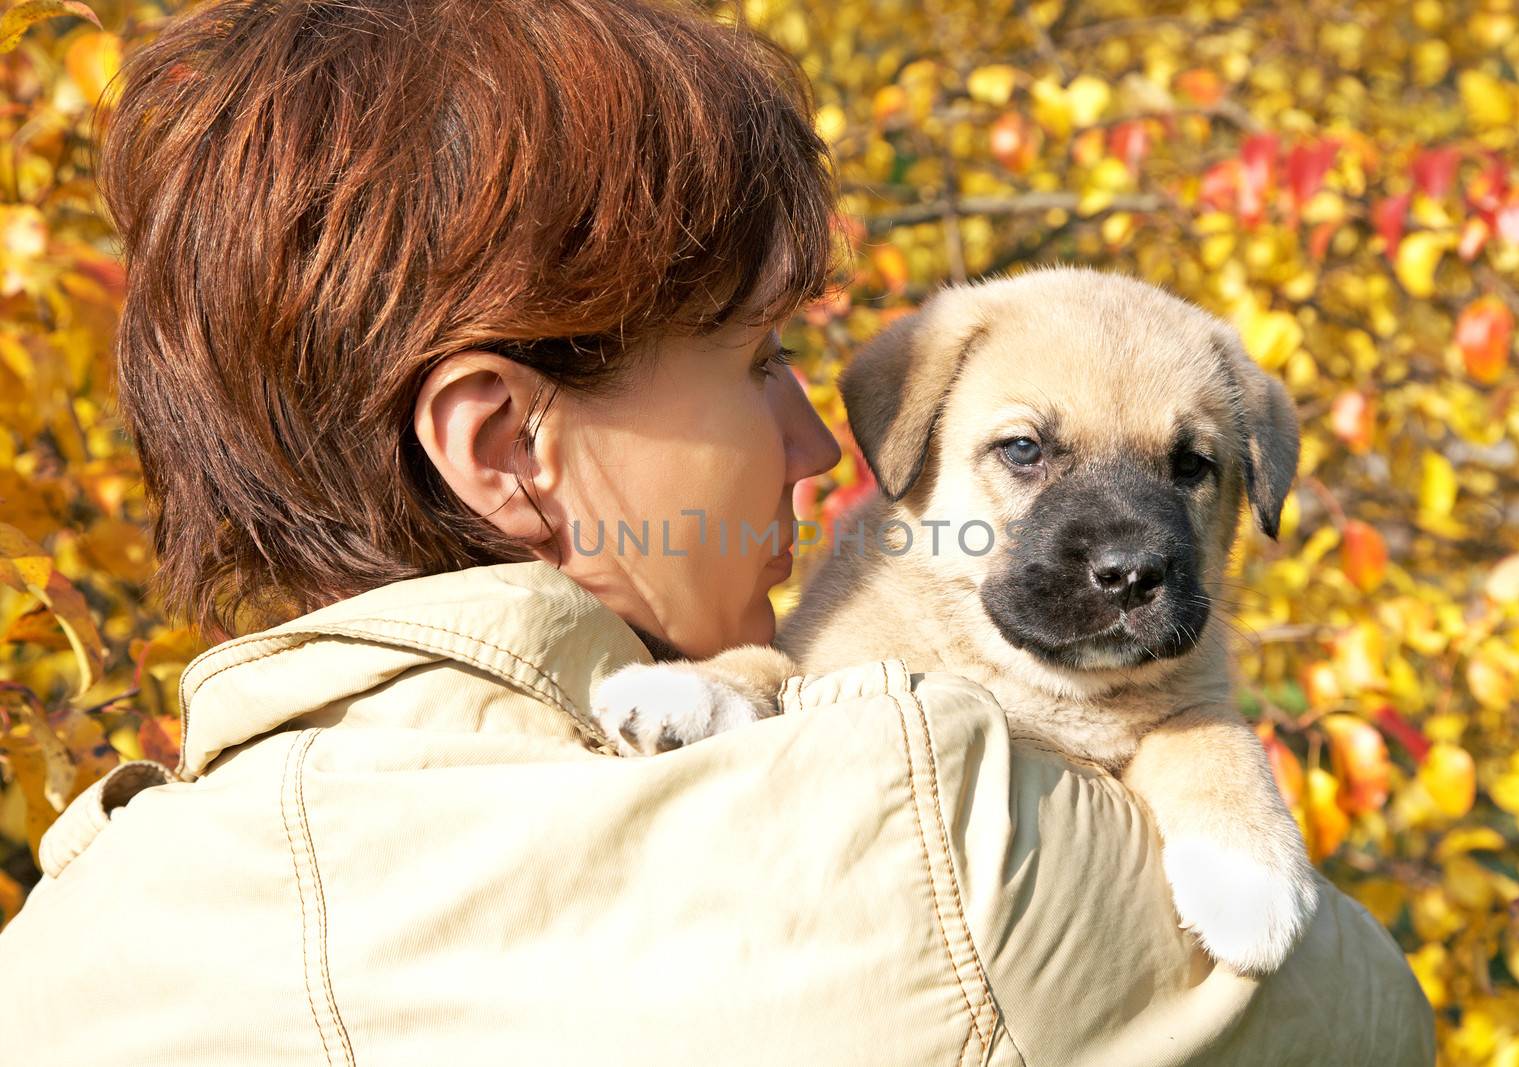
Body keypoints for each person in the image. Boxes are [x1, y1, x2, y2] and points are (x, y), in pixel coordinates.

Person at [0, 1, 1435, 1063]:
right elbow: (1379, 1022)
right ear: (508, 446)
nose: (825, 449)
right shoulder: (930, 838)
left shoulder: (65, 946)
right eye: (758, 364)